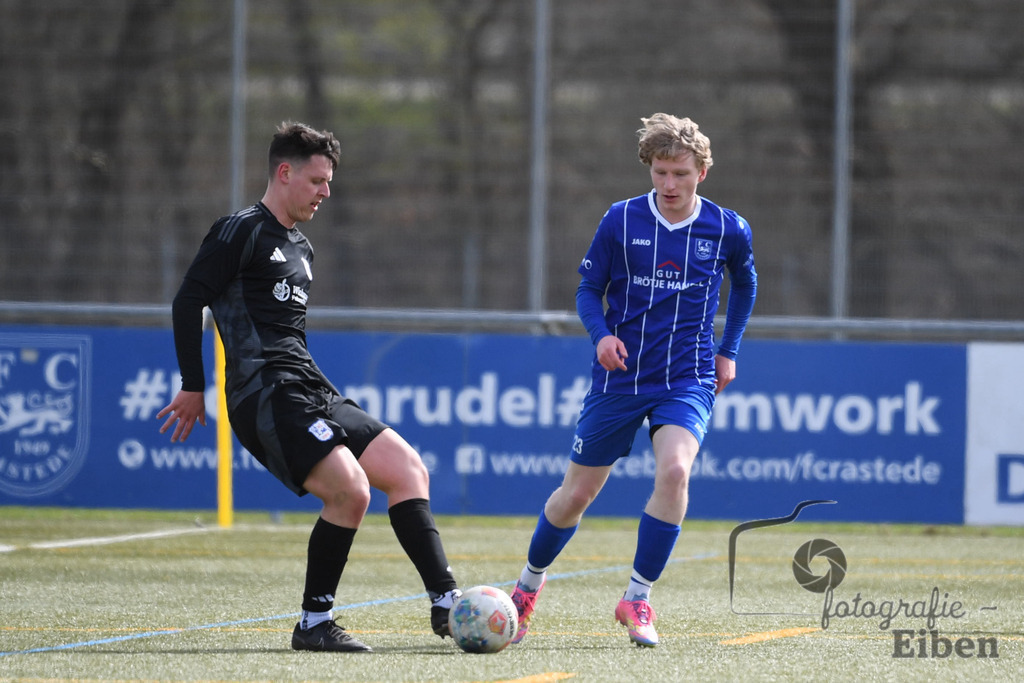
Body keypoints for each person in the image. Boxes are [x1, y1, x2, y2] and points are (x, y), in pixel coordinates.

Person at [157, 122, 460, 653]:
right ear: (284, 172)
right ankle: (314, 624)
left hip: (310, 385)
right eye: (318, 180)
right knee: (351, 491)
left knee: (408, 468)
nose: (326, 191)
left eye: (328, 182)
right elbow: (188, 302)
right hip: (264, 393)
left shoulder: (303, 248)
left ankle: (446, 603)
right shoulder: (239, 230)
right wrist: (192, 385)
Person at [509, 113, 757, 647]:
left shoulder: (727, 227)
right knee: (575, 495)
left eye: (681, 174)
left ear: (703, 173)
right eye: (661, 172)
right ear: (650, 168)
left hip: (687, 378)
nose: (669, 185)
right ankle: (527, 588)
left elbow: (746, 285)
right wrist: (600, 335)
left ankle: (637, 598)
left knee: (674, 473)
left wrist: (728, 350)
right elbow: (586, 290)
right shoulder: (620, 220)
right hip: (620, 379)